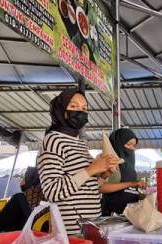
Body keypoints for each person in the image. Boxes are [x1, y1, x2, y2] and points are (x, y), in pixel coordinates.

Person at [37, 88, 119, 235]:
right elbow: (51, 191)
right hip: (70, 232)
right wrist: (91, 169)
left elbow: (88, 187)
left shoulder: (80, 143)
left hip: (90, 226)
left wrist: (103, 174)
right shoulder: (53, 140)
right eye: (73, 106)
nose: (80, 112)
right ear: (61, 110)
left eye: (84, 108)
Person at [0, 167, 44, 233]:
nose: (19, 179)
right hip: (43, 239)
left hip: (20, 240)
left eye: (22, 176)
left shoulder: (19, 199)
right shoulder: (47, 200)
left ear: (28, 180)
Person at [100, 128, 146, 216]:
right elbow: (101, 188)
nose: (132, 149)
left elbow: (129, 190)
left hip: (130, 214)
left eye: (134, 146)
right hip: (113, 215)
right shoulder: (110, 161)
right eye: (128, 144)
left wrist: (140, 193)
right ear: (118, 143)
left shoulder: (130, 165)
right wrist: (130, 183)